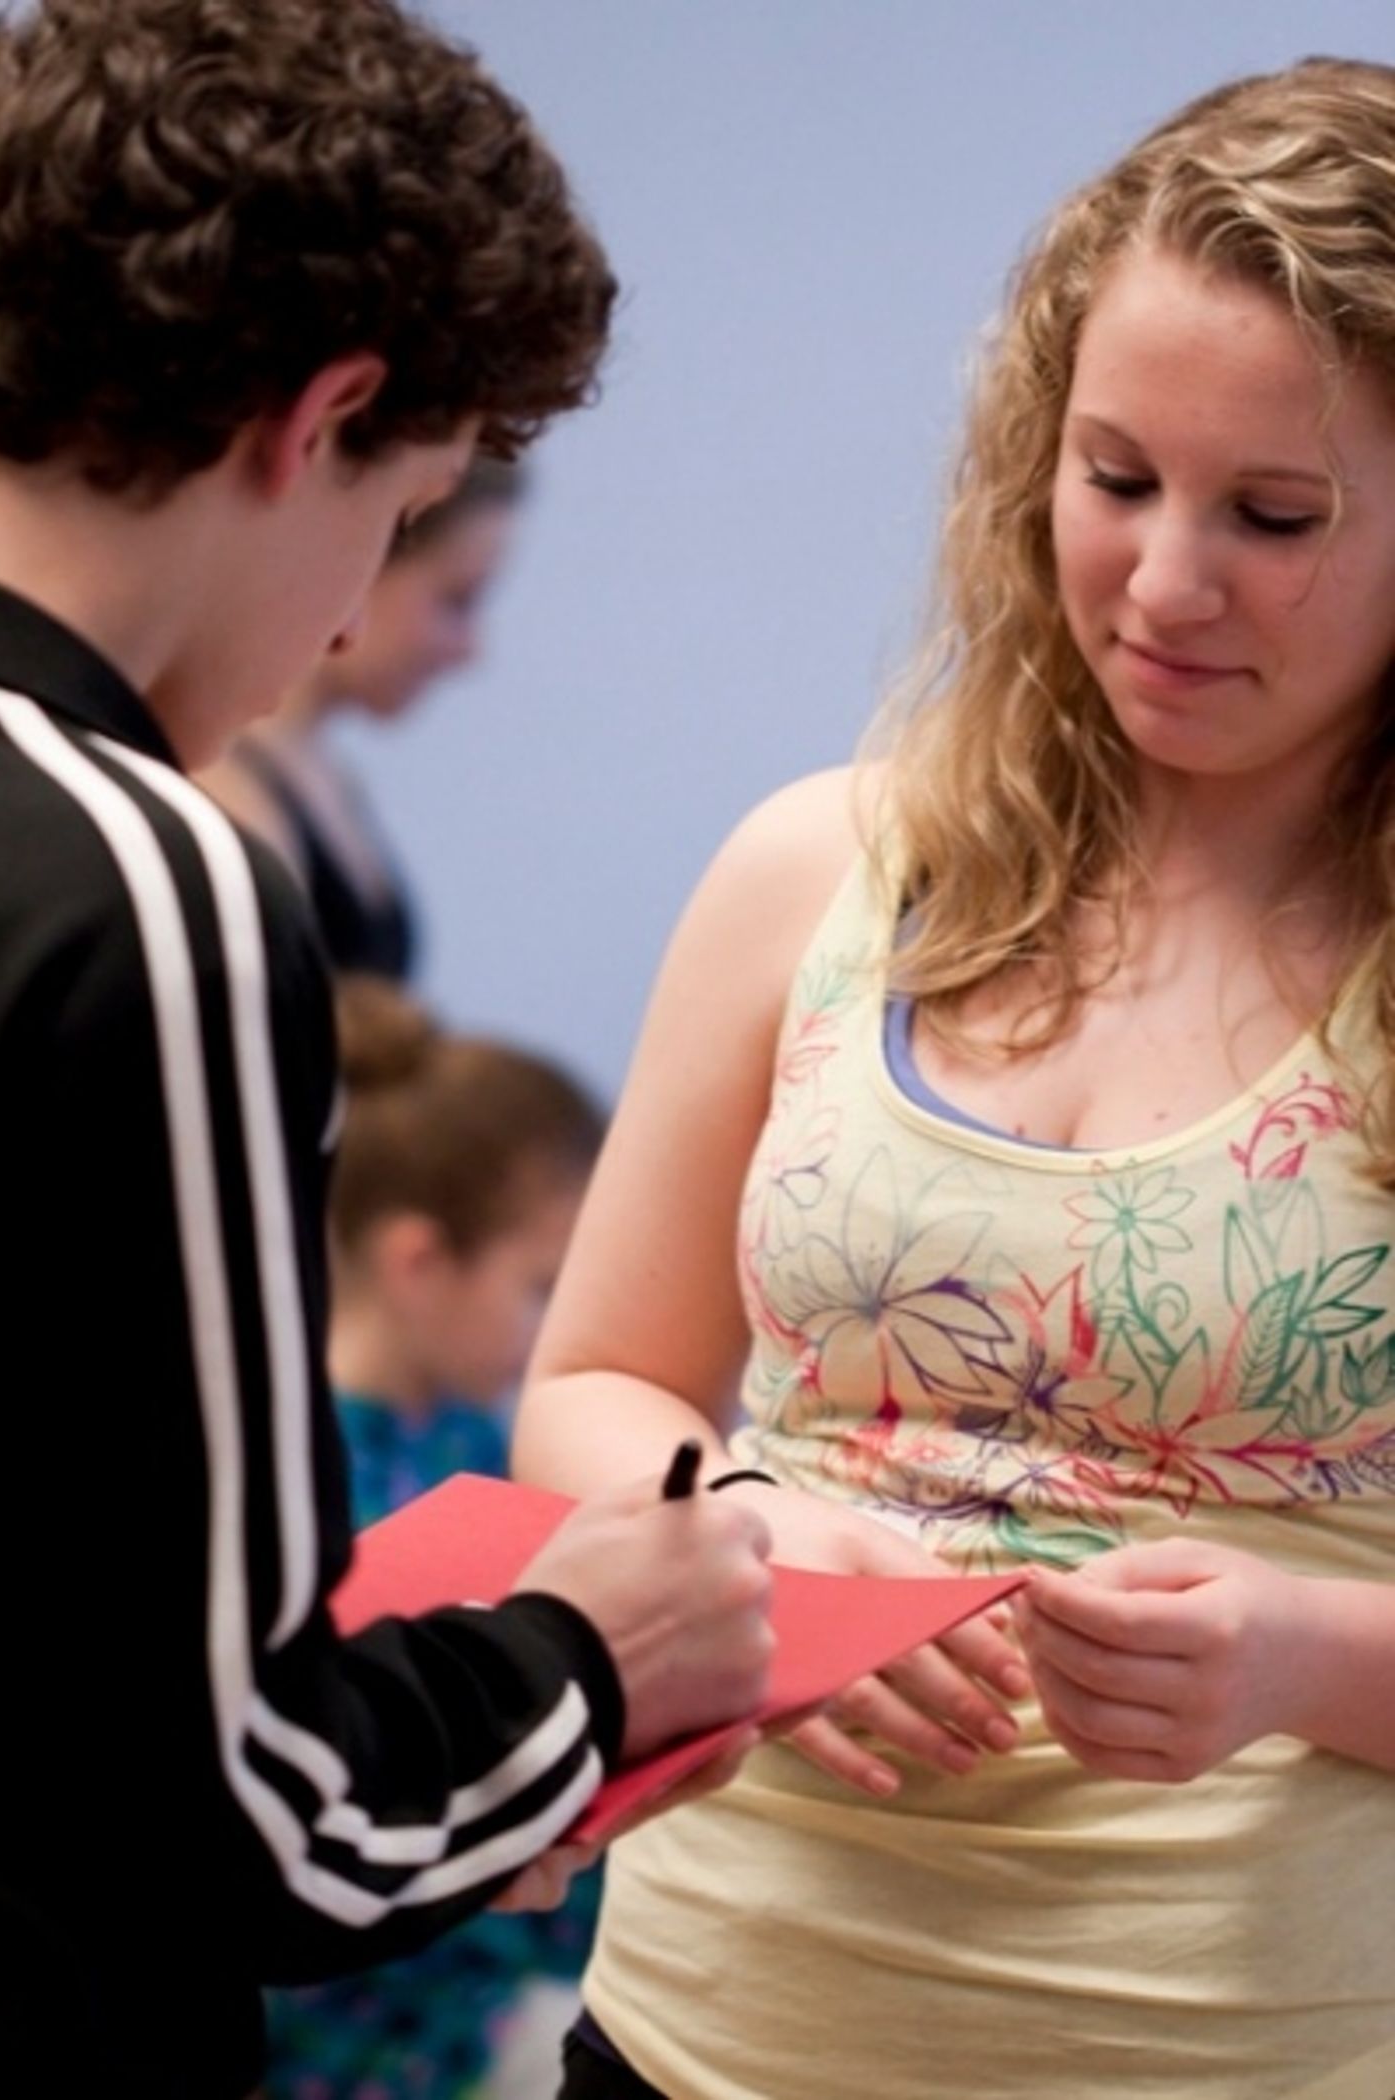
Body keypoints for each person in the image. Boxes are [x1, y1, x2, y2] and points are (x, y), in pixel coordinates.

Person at [513, 54, 1395, 2100]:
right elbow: (591, 1389)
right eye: (1112, 479)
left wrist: (1303, 1658)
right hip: (703, 2024)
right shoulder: (819, 867)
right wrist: (739, 1522)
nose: (1164, 587)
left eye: (1274, 519)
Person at [0, 5, 776, 2095]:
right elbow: (246, 1819)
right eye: (401, 500)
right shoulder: (138, 888)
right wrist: (591, 1669)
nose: (353, 620)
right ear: (321, 414)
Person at [264, 974, 608, 2098]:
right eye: (538, 1285)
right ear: (418, 1261)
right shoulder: (306, 1486)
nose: (559, 1329)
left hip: (466, 2013)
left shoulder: (468, 1438)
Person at [198, 456, 524, 979]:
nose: (471, 650)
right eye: (456, 600)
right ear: (367, 558)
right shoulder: (223, 784)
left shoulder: (327, 774)